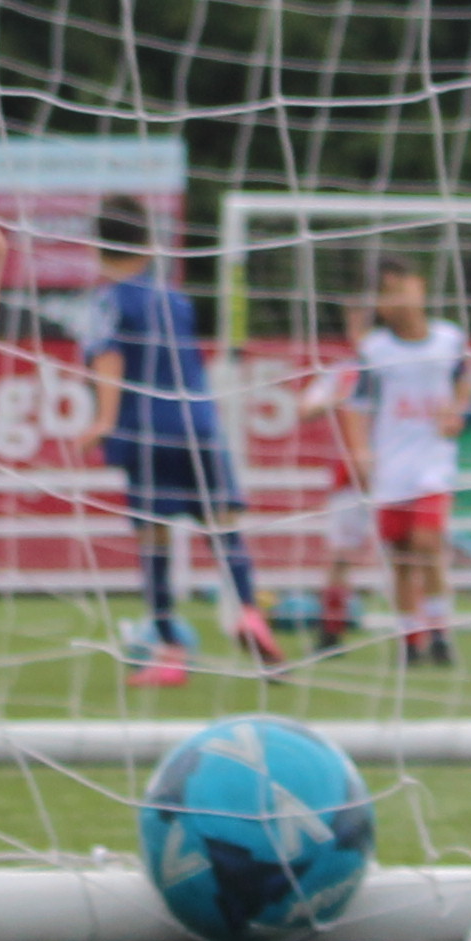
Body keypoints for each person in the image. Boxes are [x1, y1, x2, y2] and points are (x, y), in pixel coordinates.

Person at [84, 201, 274, 684]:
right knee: (222, 525)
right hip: (199, 425)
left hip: (147, 430)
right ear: (149, 245)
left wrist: (104, 419)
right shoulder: (176, 300)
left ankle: (169, 649)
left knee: (155, 540)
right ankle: (249, 611)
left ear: (98, 248)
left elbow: (108, 356)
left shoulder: (110, 300)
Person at [327, 259, 471, 669]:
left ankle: (441, 632)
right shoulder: (375, 350)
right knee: (401, 556)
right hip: (392, 464)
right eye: (386, 294)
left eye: (400, 289)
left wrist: (458, 410)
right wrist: (360, 451)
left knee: (428, 543)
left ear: (420, 286)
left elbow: (466, 381)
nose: (396, 301)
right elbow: (356, 404)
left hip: (434, 460)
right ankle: (411, 638)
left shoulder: (449, 339)